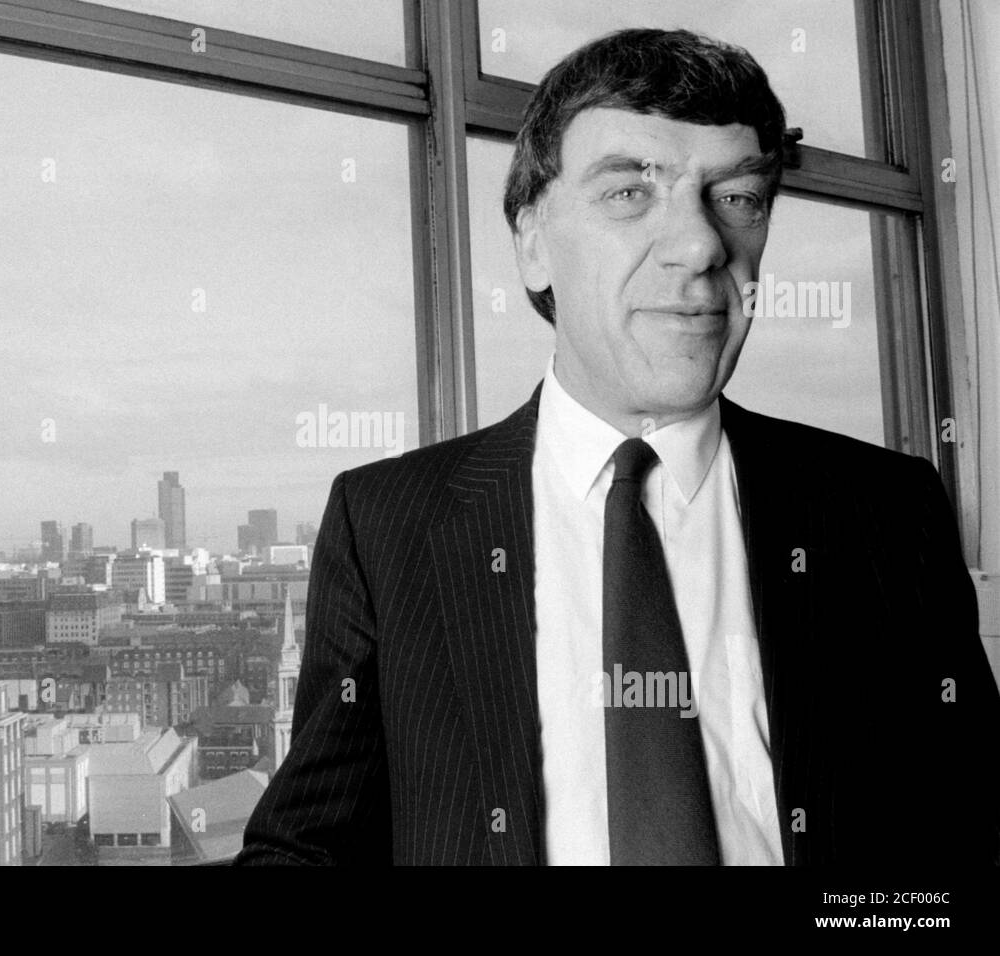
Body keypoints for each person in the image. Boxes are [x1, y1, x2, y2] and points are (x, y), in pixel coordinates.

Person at [236, 28, 1000, 866]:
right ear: (532, 243)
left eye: (738, 197)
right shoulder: (387, 526)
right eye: (631, 193)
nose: (704, 245)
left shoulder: (886, 512)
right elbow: (302, 849)